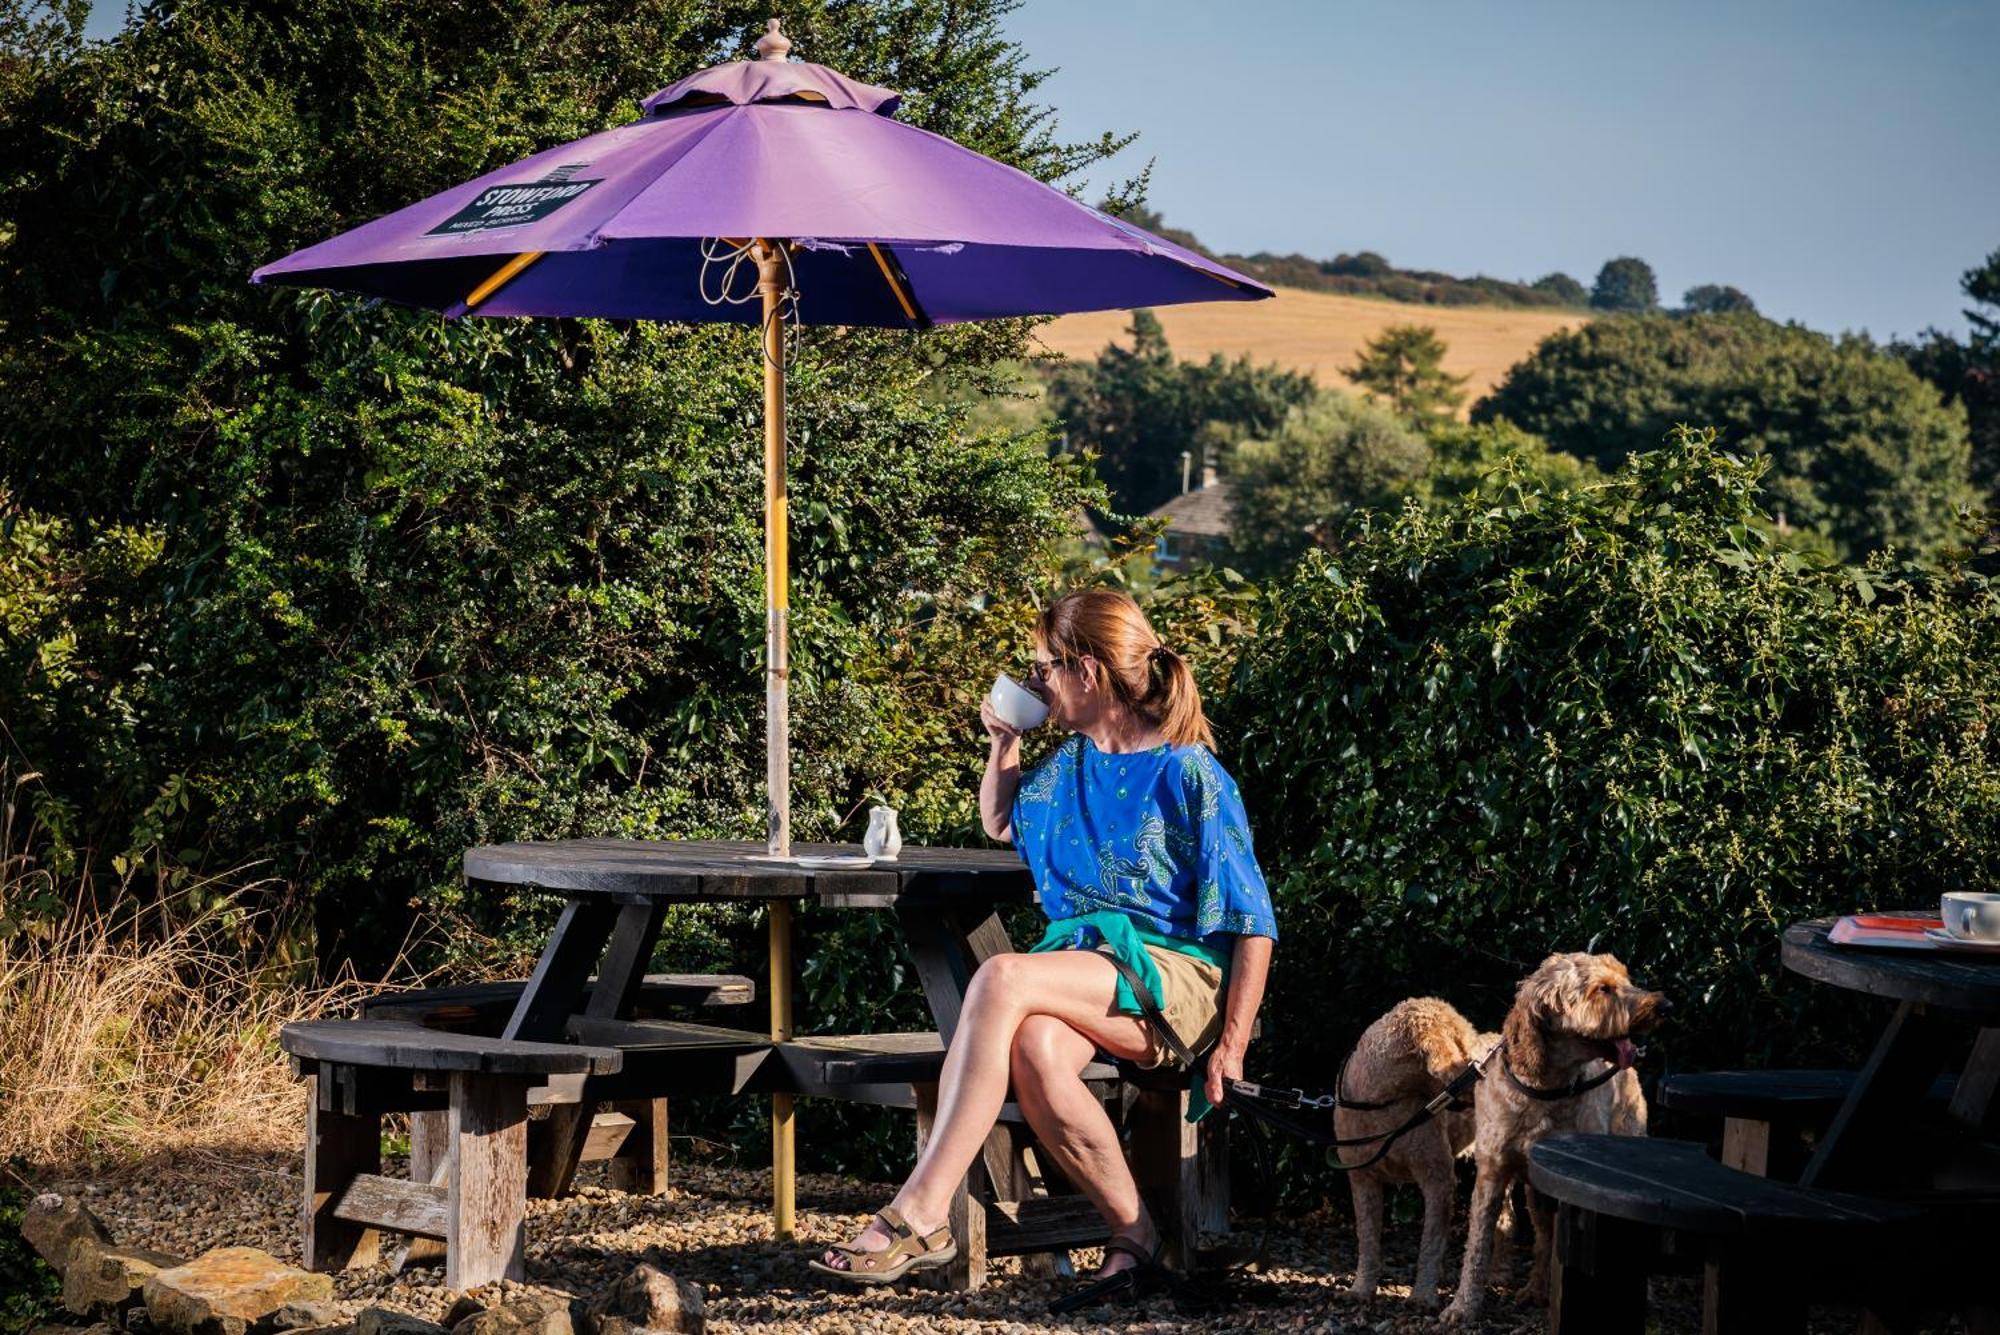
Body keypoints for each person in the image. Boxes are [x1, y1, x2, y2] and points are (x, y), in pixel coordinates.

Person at [813, 588, 1278, 1286]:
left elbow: (1253, 920)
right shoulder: (1071, 767)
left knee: (1002, 977)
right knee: (1032, 1047)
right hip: (1092, 968)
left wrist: (1233, 1047)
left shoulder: (1190, 772)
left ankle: (923, 1207)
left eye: (1043, 669)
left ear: (1086, 671)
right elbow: (1002, 822)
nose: (1037, 684)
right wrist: (1006, 742)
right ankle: (1137, 1234)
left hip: (1176, 977)